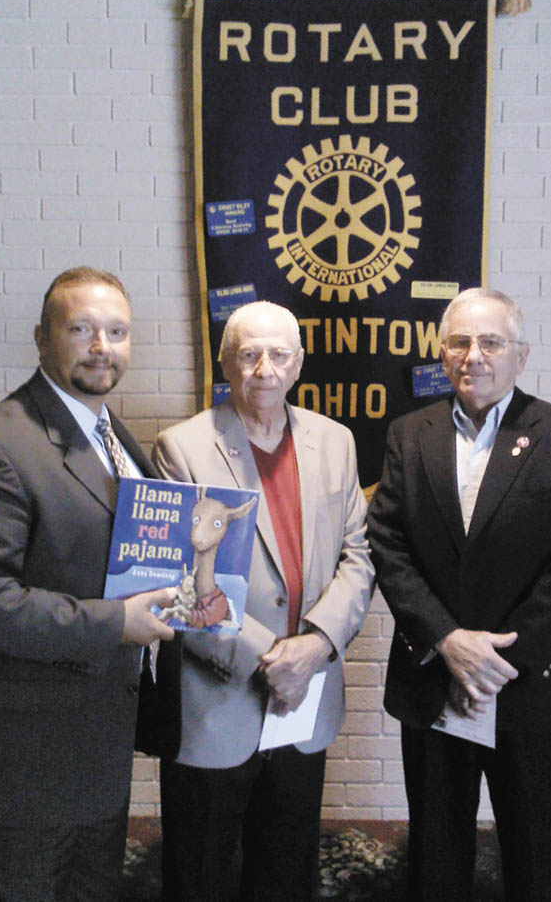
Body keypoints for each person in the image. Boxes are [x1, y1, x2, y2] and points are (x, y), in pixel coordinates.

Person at [0, 266, 178, 902]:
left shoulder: (115, 438)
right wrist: (118, 623)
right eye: (81, 329)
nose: (102, 346)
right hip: (12, 768)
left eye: (116, 332)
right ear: (42, 339)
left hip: (90, 760)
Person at [368, 287, 551, 902]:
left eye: (490, 342)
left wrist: (499, 662)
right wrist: (448, 640)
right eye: (459, 342)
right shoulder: (407, 434)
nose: (473, 356)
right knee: (436, 858)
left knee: (534, 861)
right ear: (442, 354)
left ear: (520, 356)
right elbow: (388, 543)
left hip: (533, 687)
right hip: (433, 680)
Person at [153, 300, 375, 902]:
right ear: (226, 362)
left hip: (306, 705)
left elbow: (360, 555)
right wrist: (273, 657)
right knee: (199, 875)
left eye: (279, 355)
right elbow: (178, 581)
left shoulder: (337, 442)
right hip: (217, 701)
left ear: (299, 363)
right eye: (249, 354)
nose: (264, 369)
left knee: (285, 872)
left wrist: (317, 645)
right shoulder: (181, 448)